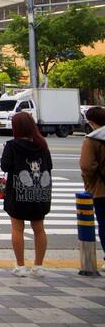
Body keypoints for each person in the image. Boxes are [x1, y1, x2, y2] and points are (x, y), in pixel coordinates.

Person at [0, 112, 52, 277]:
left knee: (17, 228)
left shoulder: (12, 145)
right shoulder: (42, 144)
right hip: (40, 193)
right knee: (39, 229)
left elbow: (5, 166)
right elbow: (49, 167)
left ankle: (20, 266)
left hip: (18, 193)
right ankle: (38, 266)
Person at [80, 106, 105, 264]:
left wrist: (88, 185)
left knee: (104, 224)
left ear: (91, 122)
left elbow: (87, 166)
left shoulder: (93, 139)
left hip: (101, 190)